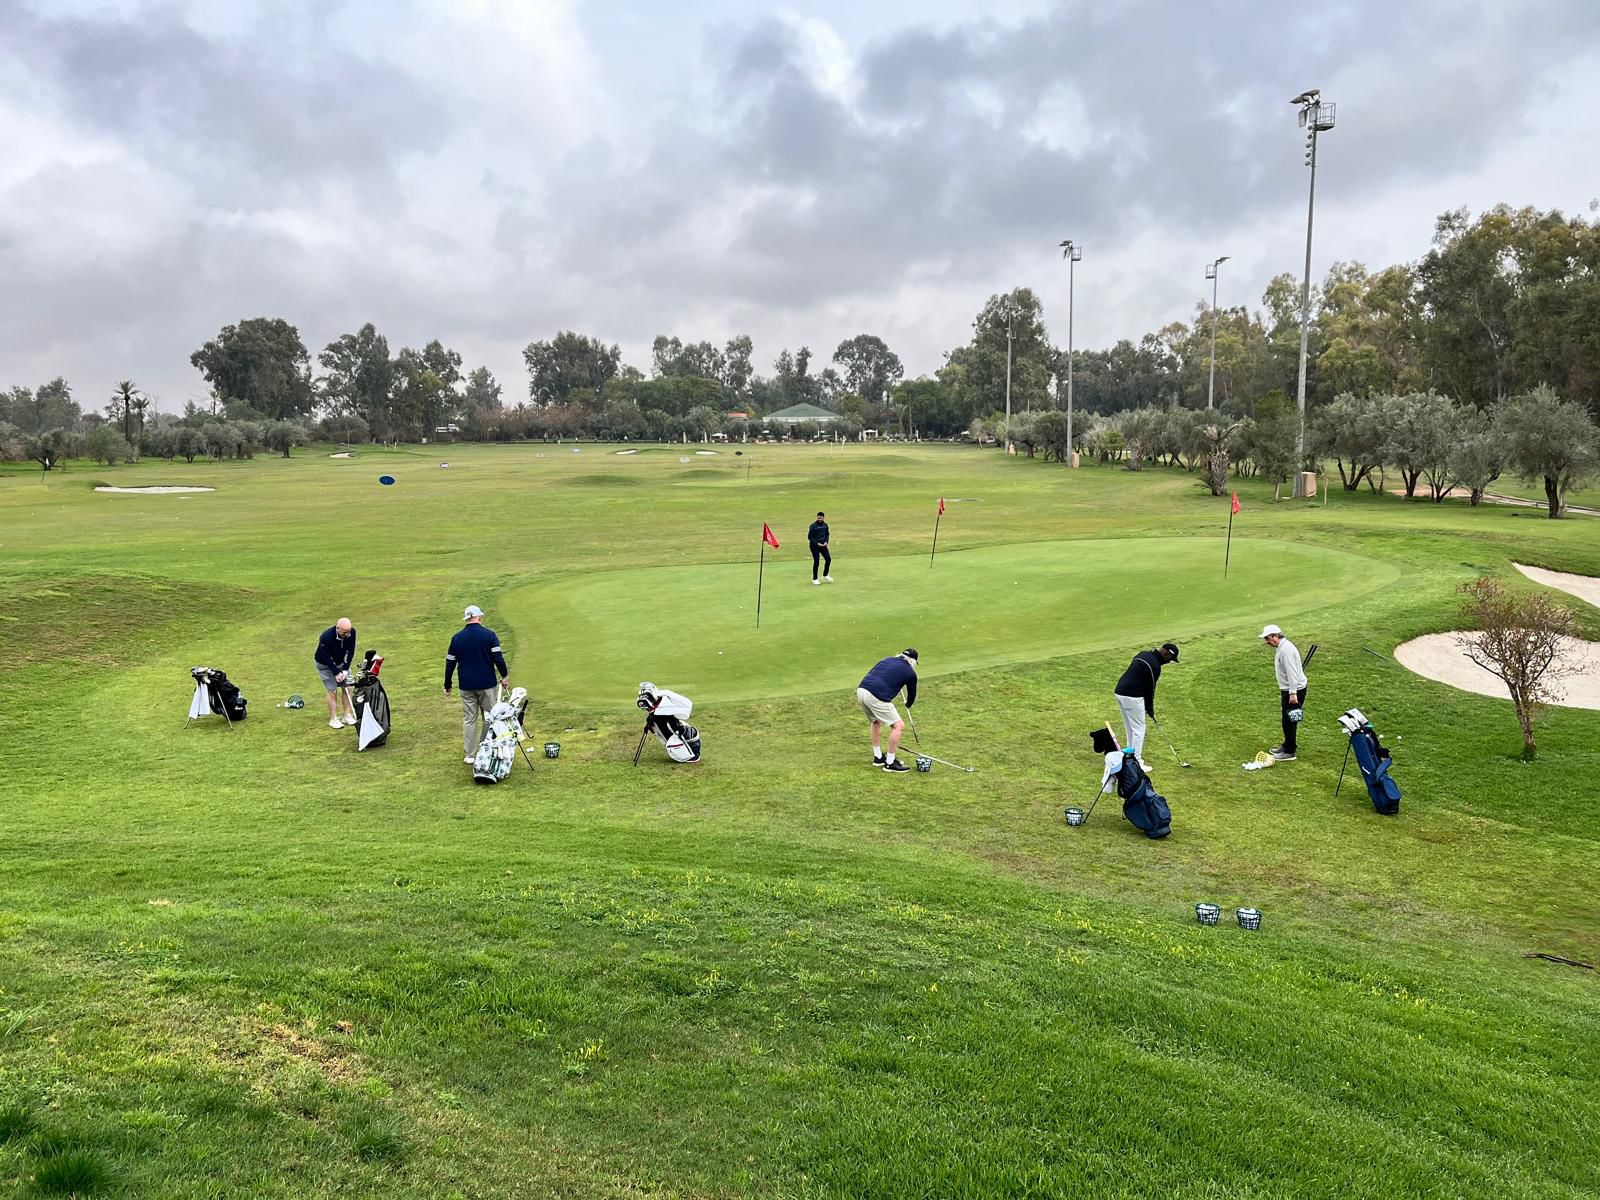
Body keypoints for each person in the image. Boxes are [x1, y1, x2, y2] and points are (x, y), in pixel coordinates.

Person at [444, 604, 510, 764]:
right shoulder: (489, 636)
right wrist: (504, 676)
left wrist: (447, 684)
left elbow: (450, 662)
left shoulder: (457, 638)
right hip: (487, 684)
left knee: (469, 719)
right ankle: (486, 747)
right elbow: (498, 658)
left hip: (466, 685)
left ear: (466, 619)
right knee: (489, 717)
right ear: (479, 617)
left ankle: (470, 755)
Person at [1112, 642, 1179, 769]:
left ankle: (1129, 757)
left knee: (1130, 728)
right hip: (1132, 696)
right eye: (1170, 659)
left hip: (1120, 692)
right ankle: (1136, 762)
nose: (1169, 662)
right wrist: (1150, 709)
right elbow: (1150, 690)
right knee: (1139, 729)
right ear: (1166, 654)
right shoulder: (1155, 666)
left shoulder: (1143, 654)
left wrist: (1148, 708)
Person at [856, 648, 918, 772]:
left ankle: (878, 757)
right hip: (876, 696)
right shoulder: (910, 673)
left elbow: (874, 674)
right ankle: (890, 763)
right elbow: (912, 694)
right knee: (898, 725)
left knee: (875, 721)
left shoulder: (887, 659)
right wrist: (908, 704)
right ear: (913, 661)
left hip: (861, 691)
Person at [1260, 624, 1307, 761]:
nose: (1266, 642)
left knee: (1290, 721)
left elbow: (1292, 674)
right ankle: (1287, 745)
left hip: (1294, 691)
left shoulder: (1286, 651)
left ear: (1275, 636)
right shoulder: (1283, 648)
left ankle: (1290, 751)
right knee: (1288, 719)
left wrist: (1293, 693)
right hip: (1292, 689)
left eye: (1268, 638)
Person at [313, 617, 358, 730]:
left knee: (348, 687)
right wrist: (337, 673)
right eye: (345, 632)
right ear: (337, 629)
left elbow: (351, 651)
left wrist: (345, 669)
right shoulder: (326, 637)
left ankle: (347, 715)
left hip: (340, 662)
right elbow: (326, 658)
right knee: (332, 690)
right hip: (324, 665)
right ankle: (333, 719)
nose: (348, 635)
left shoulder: (352, 633)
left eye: (349, 631)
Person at [808, 511, 832, 584]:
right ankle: (815, 579)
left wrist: (826, 542)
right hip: (814, 546)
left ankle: (825, 575)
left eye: (821, 518)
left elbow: (827, 535)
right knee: (817, 561)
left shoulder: (825, 525)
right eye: (818, 518)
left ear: (823, 518)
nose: (819, 519)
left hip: (823, 546)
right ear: (817, 517)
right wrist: (817, 543)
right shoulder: (813, 526)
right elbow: (810, 537)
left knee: (828, 559)